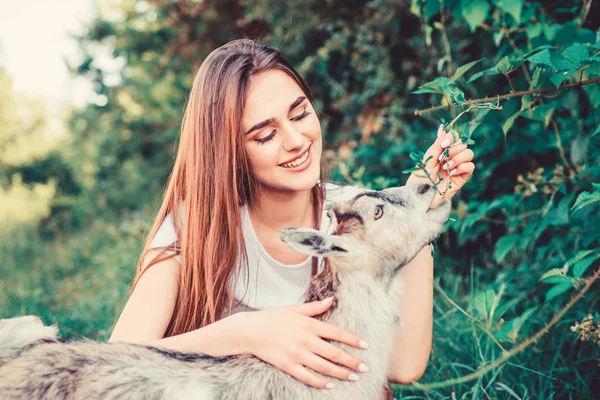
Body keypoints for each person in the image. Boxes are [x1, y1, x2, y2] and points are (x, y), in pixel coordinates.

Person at [109, 39, 475, 395]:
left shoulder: (350, 217)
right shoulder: (196, 226)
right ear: (230, 152)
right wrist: (245, 334)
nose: (296, 139)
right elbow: (118, 360)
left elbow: (403, 367)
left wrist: (414, 213)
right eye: (266, 135)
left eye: (300, 114)